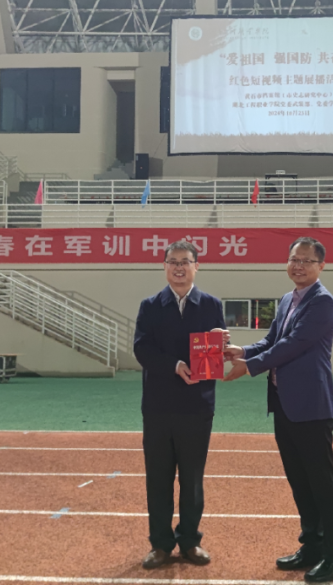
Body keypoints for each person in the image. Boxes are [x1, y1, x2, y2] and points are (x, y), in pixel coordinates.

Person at [223, 237, 333, 583]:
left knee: (322, 483)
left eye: (307, 261)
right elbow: (272, 341)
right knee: (300, 481)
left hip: (311, 405)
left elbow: (293, 346)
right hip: (284, 403)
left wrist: (250, 367)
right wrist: (242, 351)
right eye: (295, 259)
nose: (299, 266)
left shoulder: (322, 302)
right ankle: (313, 547)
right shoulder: (286, 300)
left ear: (321, 266)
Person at [133, 241, 227, 570]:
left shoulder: (211, 305)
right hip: (158, 406)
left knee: (192, 479)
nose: (178, 267)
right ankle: (160, 544)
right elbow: (142, 349)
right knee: (158, 479)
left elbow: (214, 351)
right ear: (164, 267)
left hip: (197, 405)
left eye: (185, 262)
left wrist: (221, 343)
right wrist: (174, 365)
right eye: (172, 262)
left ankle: (189, 541)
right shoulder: (150, 306)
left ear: (196, 266)